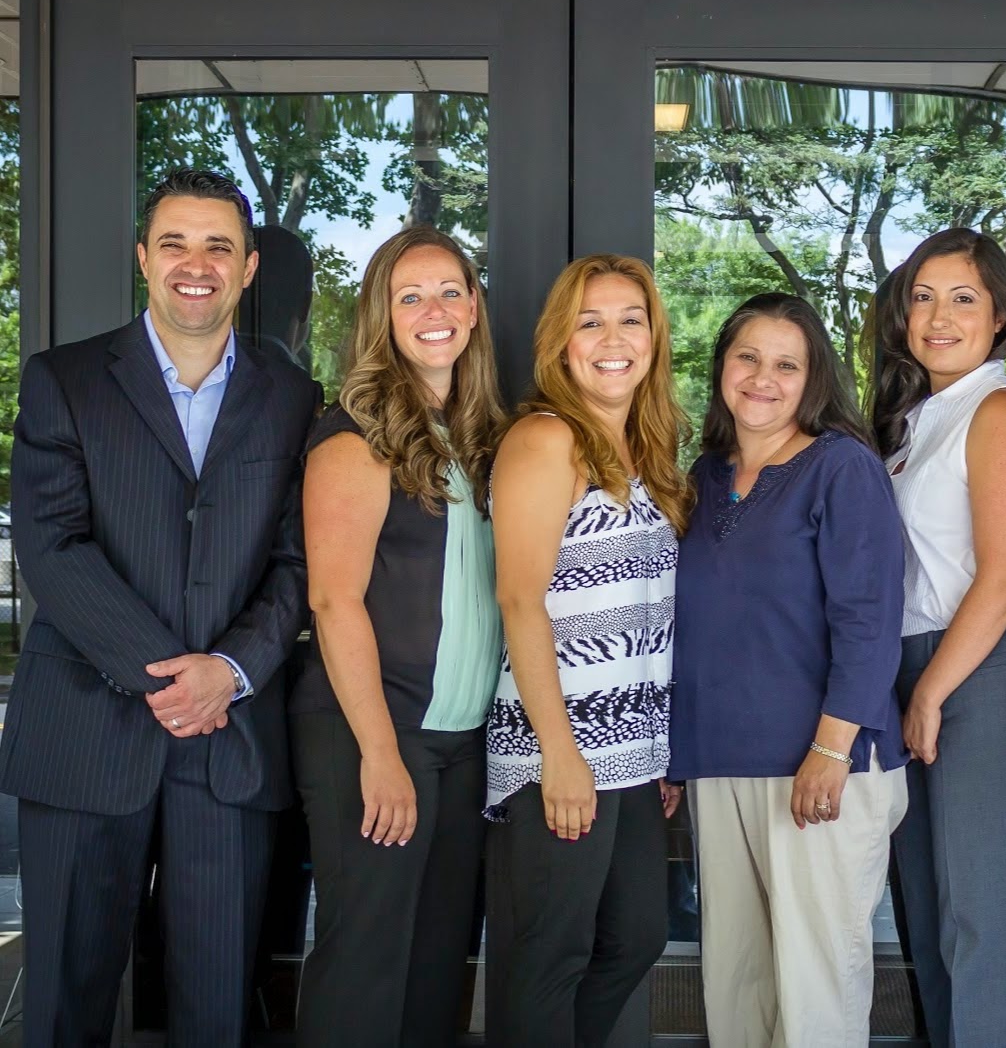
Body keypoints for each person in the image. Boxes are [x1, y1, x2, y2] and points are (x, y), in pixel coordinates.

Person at [0, 169, 321, 1046]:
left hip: (229, 744)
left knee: (217, 1006)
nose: (197, 263)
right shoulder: (64, 379)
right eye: (175, 241)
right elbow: (52, 548)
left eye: (220, 245)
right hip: (84, 732)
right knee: (65, 1001)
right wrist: (171, 678)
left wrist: (230, 671)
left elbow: (299, 561)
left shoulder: (293, 399)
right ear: (144, 257)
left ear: (249, 268)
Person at [669, 292, 907, 1048]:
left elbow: (869, 622)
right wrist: (675, 753)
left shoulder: (842, 468)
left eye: (786, 364)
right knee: (736, 986)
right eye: (747, 357)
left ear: (814, 379)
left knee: (815, 995)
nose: (762, 378)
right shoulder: (703, 478)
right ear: (721, 368)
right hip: (717, 764)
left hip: (821, 765)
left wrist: (831, 750)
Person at [289, 226, 506, 1047]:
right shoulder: (355, 433)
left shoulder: (481, 436)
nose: (434, 310)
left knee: (436, 962)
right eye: (408, 295)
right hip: (375, 733)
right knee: (367, 956)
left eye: (449, 290)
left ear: (475, 306)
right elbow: (334, 600)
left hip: (462, 738)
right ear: (383, 316)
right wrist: (379, 752)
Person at [486, 254, 692, 1048]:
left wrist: (659, 747)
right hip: (560, 746)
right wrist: (560, 753)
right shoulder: (546, 438)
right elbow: (519, 599)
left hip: (634, 752)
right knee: (549, 953)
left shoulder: (649, 448)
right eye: (590, 320)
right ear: (561, 343)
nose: (613, 337)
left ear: (654, 336)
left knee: (636, 934)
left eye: (630, 318)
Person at [870, 229, 1006, 1048]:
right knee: (927, 917)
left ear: (1001, 318)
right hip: (912, 670)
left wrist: (934, 690)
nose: (938, 316)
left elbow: (1003, 576)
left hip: (977, 672)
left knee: (979, 916)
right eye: (923, 296)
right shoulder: (914, 421)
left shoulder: (1000, 408)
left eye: (963, 297)